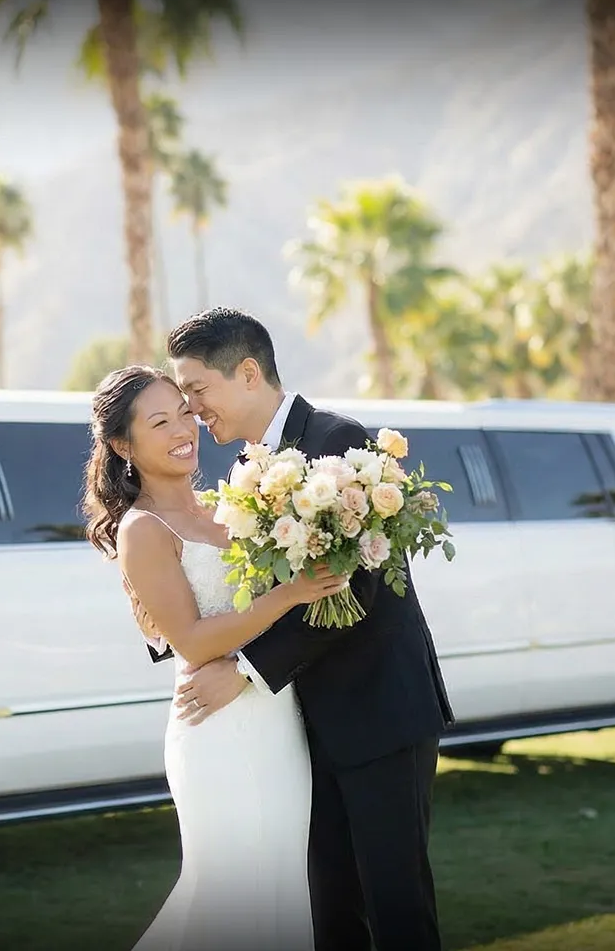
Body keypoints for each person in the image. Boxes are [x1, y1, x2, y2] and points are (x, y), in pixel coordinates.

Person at [135, 307, 455, 951]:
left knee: (397, 908)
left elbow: (355, 587)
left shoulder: (338, 440)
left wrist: (245, 669)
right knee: (328, 916)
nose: (192, 411)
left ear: (248, 373)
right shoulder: (242, 476)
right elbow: (242, 586)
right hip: (298, 734)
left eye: (197, 390)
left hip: (380, 715)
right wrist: (164, 616)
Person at [82, 364, 349, 951]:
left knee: (281, 889)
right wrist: (292, 592)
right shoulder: (143, 530)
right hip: (216, 730)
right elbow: (195, 641)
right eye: (161, 422)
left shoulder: (229, 505)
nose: (185, 429)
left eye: (185, 413)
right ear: (124, 445)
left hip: (278, 722)